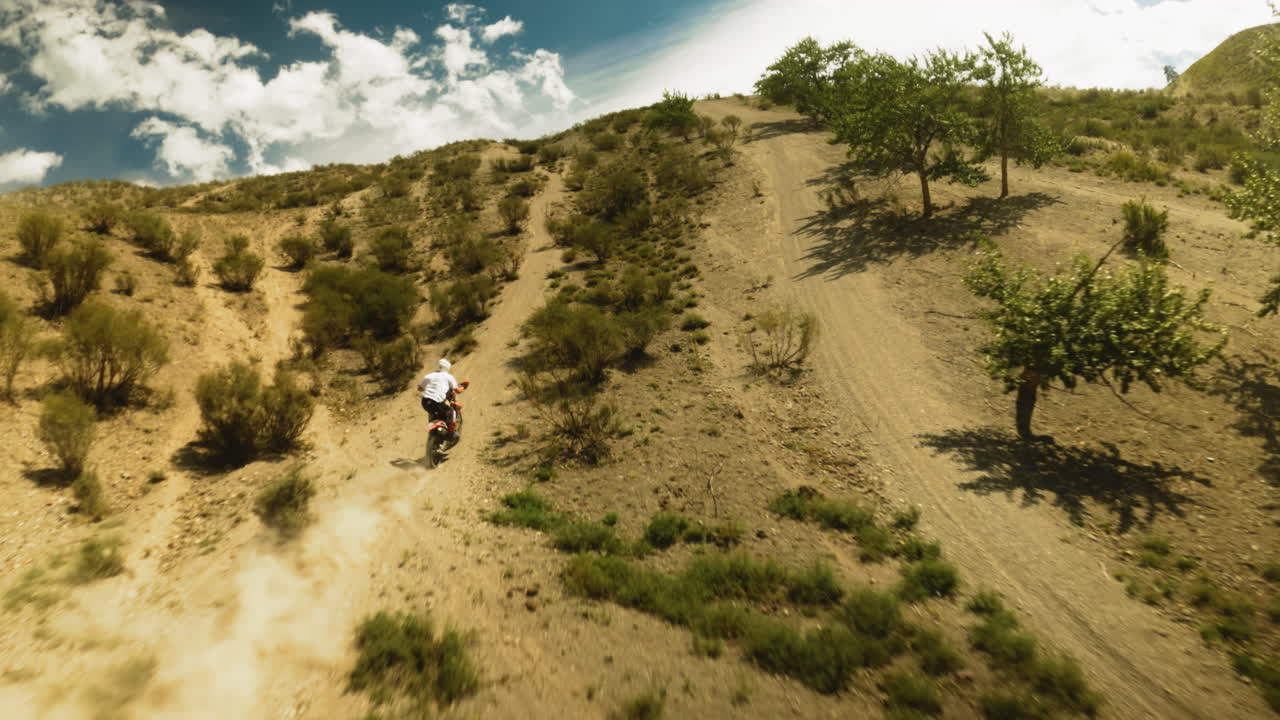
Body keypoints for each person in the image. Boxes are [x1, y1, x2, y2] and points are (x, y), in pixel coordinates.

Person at [418, 358, 461, 438]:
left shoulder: (429, 376)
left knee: (433, 411)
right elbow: (457, 390)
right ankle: (451, 434)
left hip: (425, 402)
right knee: (450, 411)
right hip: (437, 401)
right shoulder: (448, 376)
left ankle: (433, 429)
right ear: (447, 368)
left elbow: (419, 388)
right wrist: (461, 388)